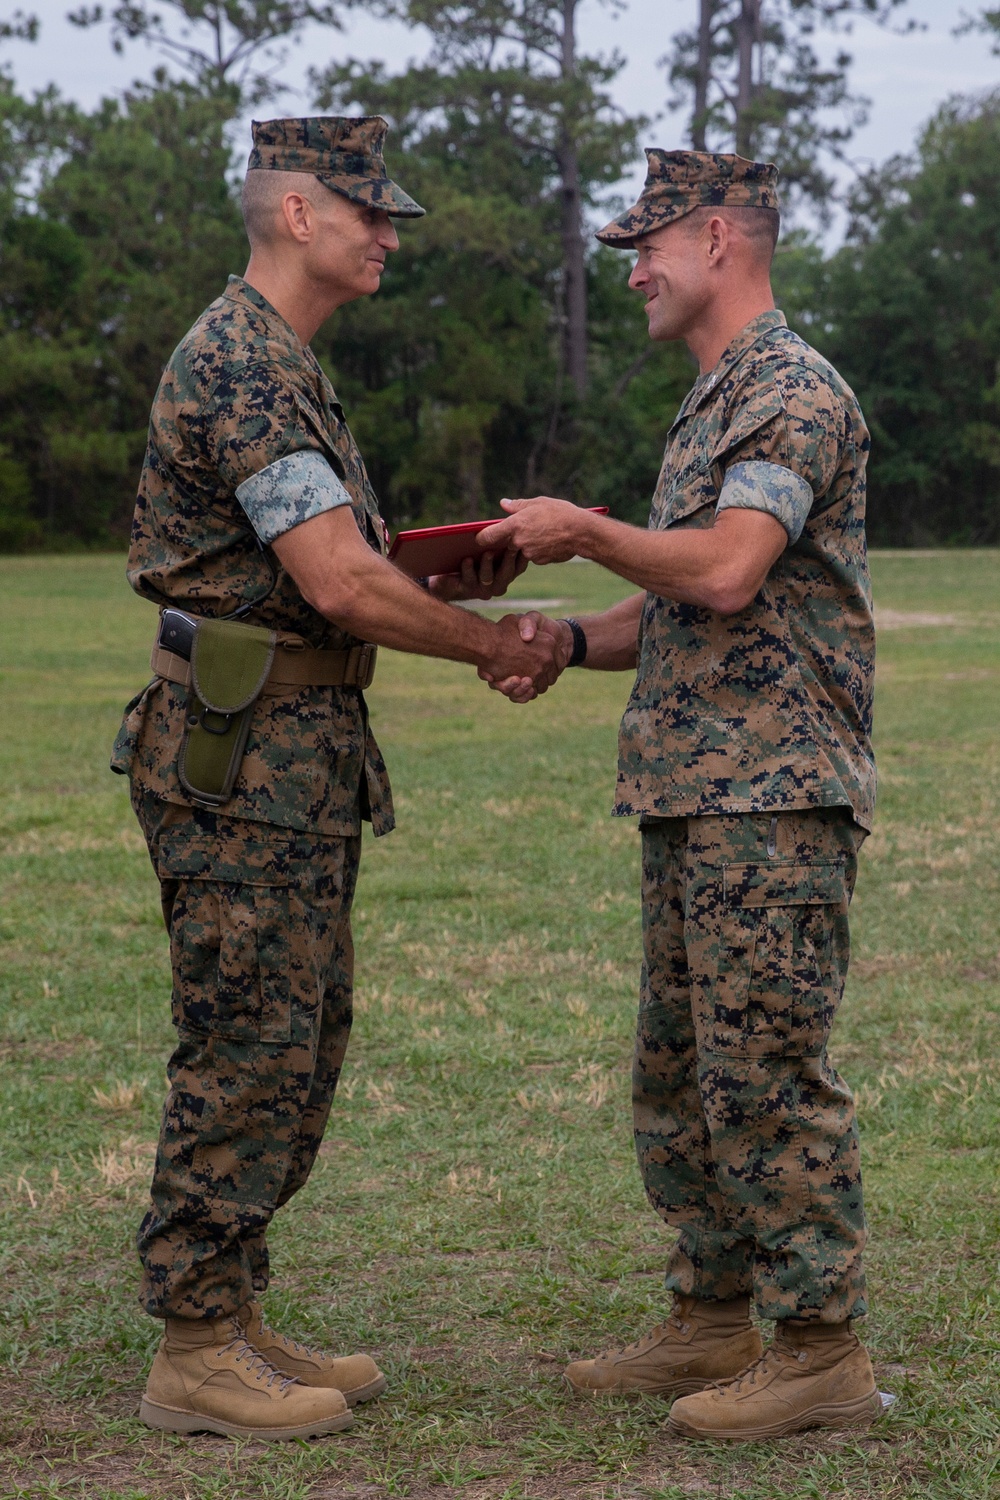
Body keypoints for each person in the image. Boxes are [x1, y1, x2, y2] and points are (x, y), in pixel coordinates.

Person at [111, 114, 559, 1442]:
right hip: (242, 754)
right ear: (296, 212)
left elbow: (334, 568)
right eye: (371, 210)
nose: (390, 233)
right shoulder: (245, 358)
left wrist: (435, 572)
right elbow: (332, 581)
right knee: (248, 1036)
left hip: (290, 749)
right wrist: (485, 643)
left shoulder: (284, 363)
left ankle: (236, 1305)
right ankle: (195, 1345)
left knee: (298, 1036)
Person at [478, 149, 881, 1441]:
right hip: (695, 791)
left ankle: (820, 1349)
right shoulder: (713, 401)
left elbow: (724, 568)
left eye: (644, 244)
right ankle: (711, 1315)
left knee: (764, 1069)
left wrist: (587, 526)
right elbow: (677, 604)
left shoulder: (789, 390)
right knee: (682, 1070)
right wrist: (561, 639)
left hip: (773, 795)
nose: (633, 270)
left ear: (719, 236)